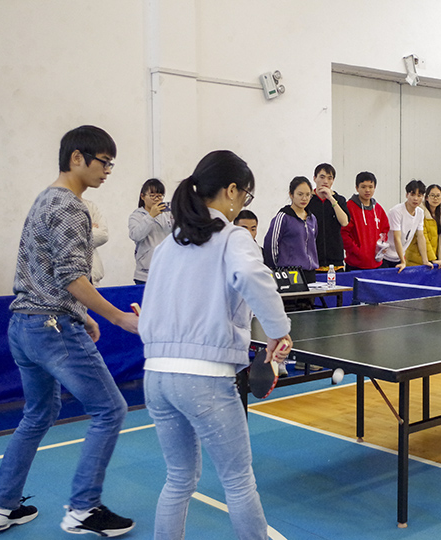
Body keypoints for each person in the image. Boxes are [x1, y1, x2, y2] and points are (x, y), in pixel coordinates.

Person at [0, 126, 139, 536]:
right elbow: (71, 276)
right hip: (51, 328)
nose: (108, 171)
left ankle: (2, 506)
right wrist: (118, 317)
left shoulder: (44, 199)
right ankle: (83, 509)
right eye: (104, 162)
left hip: (23, 326)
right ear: (76, 158)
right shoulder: (70, 206)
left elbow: (44, 271)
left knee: (38, 413)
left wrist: (83, 315)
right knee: (110, 409)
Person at [138, 150, 292, 539]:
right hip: (203, 379)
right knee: (238, 481)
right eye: (246, 195)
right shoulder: (232, 237)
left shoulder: (169, 245)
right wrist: (277, 330)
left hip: (155, 378)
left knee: (178, 478)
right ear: (231, 190)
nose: (243, 204)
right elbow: (252, 278)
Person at [263, 176, 319, 283]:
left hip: (310, 273)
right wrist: (278, 267)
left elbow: (313, 242)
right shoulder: (283, 217)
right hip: (290, 273)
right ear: (291, 195)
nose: (304, 198)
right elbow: (271, 244)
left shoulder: (312, 219)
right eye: (300, 194)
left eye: (308, 195)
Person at [381, 179, 434, 272]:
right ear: (407, 195)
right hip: (385, 257)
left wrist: (425, 260)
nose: (416, 199)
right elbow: (396, 237)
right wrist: (403, 261)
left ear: (423, 197)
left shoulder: (420, 212)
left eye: (419, 195)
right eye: (412, 194)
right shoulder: (396, 211)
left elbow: (420, 236)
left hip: (399, 257)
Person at [341, 171, 390, 271]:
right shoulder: (349, 207)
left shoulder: (378, 209)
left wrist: (382, 246)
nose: (367, 190)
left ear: (375, 188)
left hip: (376, 263)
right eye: (363, 187)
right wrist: (357, 251)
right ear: (357, 188)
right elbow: (343, 233)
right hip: (355, 264)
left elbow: (384, 231)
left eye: (370, 187)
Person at [128, 178, 173, 285]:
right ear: (142, 196)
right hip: (145, 274)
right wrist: (151, 216)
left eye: (160, 196)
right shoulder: (136, 216)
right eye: (152, 195)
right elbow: (136, 235)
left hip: (167, 270)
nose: (156, 199)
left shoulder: (168, 215)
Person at [306, 163, 349, 272]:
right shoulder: (307, 200)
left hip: (335, 261)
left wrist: (331, 198)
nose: (325, 181)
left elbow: (344, 222)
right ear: (314, 178)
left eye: (330, 178)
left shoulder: (339, 200)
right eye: (322, 177)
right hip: (312, 260)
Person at [406, 183, 441, 267]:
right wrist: (432, 259)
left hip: (435, 260)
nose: (435, 198)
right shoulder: (420, 213)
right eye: (432, 195)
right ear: (426, 197)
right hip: (417, 260)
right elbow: (424, 238)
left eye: (438, 196)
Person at [82, 198, 109, 286]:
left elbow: (103, 235)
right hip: (73, 281)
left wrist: (84, 230)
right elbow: (69, 238)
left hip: (94, 279)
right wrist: (91, 228)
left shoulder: (91, 206)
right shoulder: (58, 207)